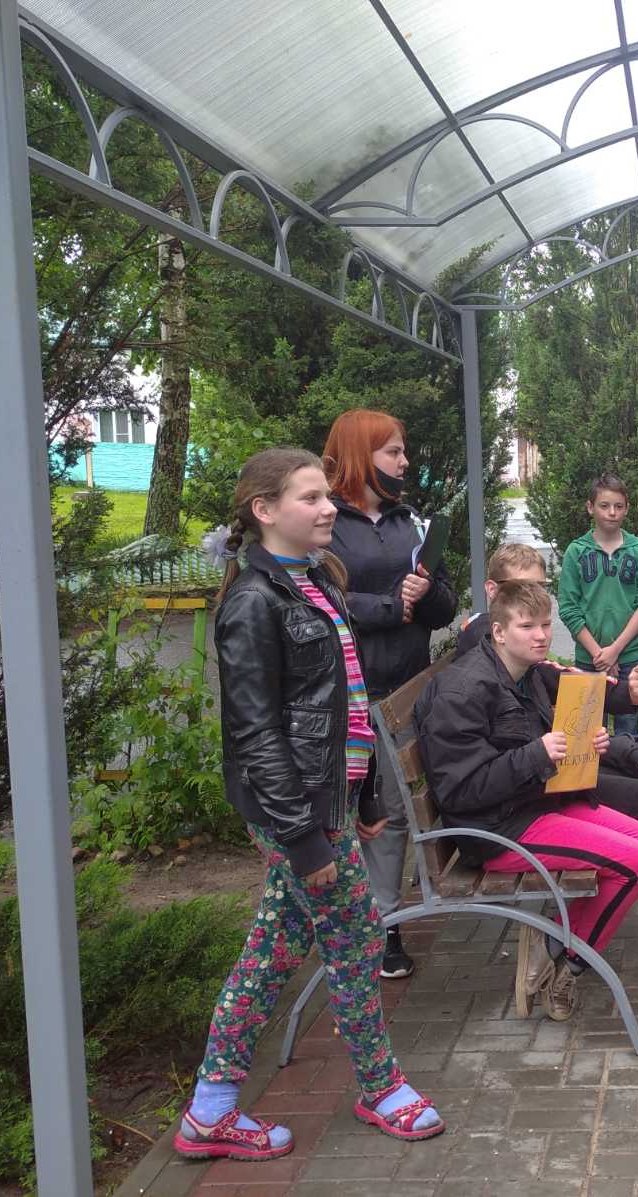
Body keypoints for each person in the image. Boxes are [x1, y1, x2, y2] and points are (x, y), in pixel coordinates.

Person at [178, 448, 442, 1161]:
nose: (329, 509)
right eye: (311, 498)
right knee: (356, 938)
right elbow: (257, 734)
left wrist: (364, 792)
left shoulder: (318, 578)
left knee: (273, 950)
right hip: (296, 812)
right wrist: (304, 837)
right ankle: (380, 1087)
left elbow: (347, 702)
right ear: (264, 510)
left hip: (326, 803)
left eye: (327, 495)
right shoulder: (253, 601)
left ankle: (210, 1109)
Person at [416, 581, 638, 1012]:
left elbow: (582, 711)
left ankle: (556, 944)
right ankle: (570, 958)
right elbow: (460, 791)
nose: (541, 636)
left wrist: (594, 743)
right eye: (527, 627)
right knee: (637, 861)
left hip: (537, 801)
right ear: (498, 632)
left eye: (545, 625)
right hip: (497, 830)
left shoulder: (528, 673)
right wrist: (536, 755)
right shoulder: (464, 691)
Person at [456, 544, 638, 945]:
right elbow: (505, 762)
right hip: (548, 787)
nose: (534, 602)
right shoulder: (485, 655)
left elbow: (570, 693)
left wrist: (625, 699)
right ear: (494, 595)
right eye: (521, 591)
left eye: (541, 589)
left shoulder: (522, 660)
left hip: (569, 765)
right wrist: (583, 741)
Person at [322, 408, 458, 981]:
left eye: (403, 452)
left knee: (394, 812)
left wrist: (425, 594)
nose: (404, 463)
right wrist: (387, 606)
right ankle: (360, 926)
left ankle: (383, 922)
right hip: (350, 694)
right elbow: (317, 601)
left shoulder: (410, 523)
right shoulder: (327, 522)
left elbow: (444, 607)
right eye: (393, 452)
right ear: (361, 454)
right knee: (358, 815)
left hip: (405, 690)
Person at [557, 473, 638, 738]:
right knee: (586, 735)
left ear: (627, 508)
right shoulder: (576, 552)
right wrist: (599, 654)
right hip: (588, 659)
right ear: (590, 507)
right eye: (604, 506)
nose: (612, 512)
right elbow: (568, 607)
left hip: (629, 658)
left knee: (627, 734)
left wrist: (615, 650)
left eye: (618, 506)